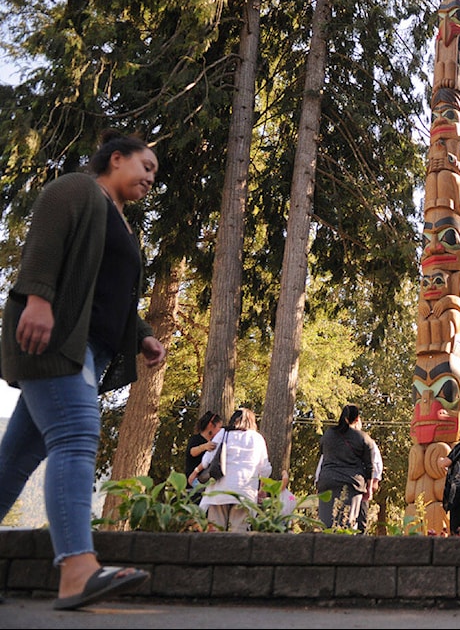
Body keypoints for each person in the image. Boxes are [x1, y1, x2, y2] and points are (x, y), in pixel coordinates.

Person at [0, 130, 165, 610]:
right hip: (54, 338)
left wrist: (141, 335)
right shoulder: (76, 189)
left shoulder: (116, 220)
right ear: (116, 159)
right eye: (145, 167)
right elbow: (45, 241)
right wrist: (37, 298)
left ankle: (76, 567)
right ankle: (76, 569)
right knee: (76, 434)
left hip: (83, 348)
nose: (151, 179)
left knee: (16, 460)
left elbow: (106, 292)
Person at [188, 407, 272, 532]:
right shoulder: (257, 438)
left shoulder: (223, 433)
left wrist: (195, 472)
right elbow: (264, 468)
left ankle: (215, 551)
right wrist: (262, 489)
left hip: (219, 490)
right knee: (238, 532)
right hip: (244, 491)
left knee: (215, 531)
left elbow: (208, 459)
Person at [314, 404, 376, 529]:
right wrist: (369, 488)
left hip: (328, 481)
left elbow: (322, 453)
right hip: (352, 484)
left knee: (326, 526)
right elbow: (369, 466)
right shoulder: (363, 438)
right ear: (357, 418)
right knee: (347, 524)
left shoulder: (328, 434)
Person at [184, 411, 222, 503]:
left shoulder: (215, 442)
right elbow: (192, 452)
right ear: (210, 425)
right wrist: (204, 447)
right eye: (219, 427)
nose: (220, 431)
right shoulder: (196, 439)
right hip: (193, 485)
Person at [355, 437, 383, 534]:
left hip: (360, 488)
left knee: (360, 526)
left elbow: (376, 465)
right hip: (341, 488)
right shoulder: (334, 440)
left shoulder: (365, 441)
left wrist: (370, 486)